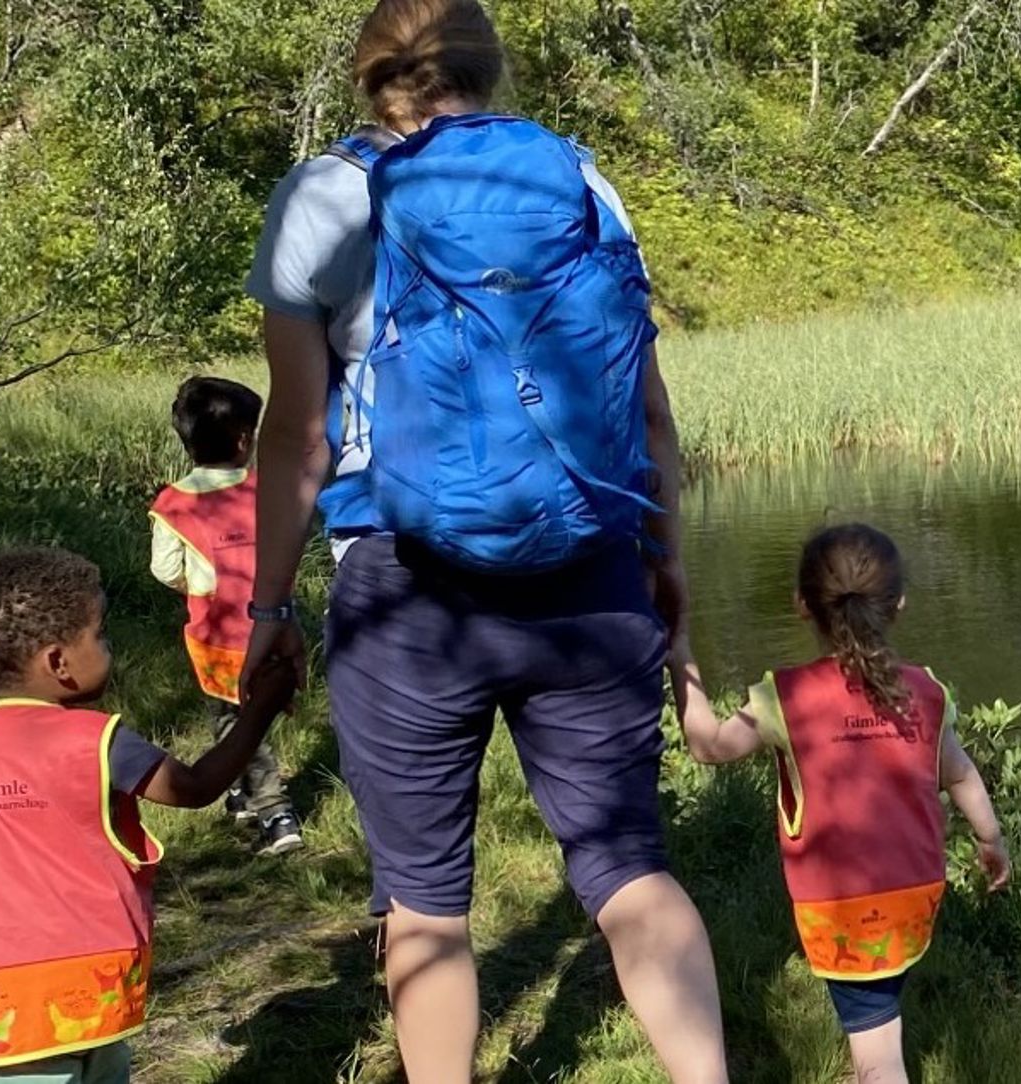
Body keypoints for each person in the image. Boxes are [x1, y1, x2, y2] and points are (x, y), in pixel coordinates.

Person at [238, 1, 726, 1080]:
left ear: (368, 78)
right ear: (490, 71)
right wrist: (664, 562)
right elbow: (647, 411)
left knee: (425, 896)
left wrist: (267, 610)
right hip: (589, 572)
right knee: (628, 867)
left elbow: (299, 436)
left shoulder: (325, 196)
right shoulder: (578, 183)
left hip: (403, 590)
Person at [0, 547, 297, 1082]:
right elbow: (195, 787)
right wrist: (257, 710)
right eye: (99, 634)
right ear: (58, 662)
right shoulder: (95, 739)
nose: (108, 645)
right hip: (94, 979)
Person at [669, 524, 1012, 1084]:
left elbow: (708, 746)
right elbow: (962, 774)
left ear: (802, 605)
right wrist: (991, 840)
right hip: (916, 893)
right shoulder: (925, 690)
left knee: (879, 1056)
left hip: (843, 908)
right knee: (877, 1016)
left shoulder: (785, 696)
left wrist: (682, 659)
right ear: (898, 604)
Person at [150, 376, 303, 855]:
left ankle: (276, 813)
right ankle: (238, 790)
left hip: (216, 636)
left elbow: (164, 569)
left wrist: (196, 587)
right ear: (244, 440)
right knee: (257, 711)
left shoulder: (174, 504)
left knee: (234, 721)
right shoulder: (267, 490)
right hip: (276, 627)